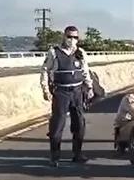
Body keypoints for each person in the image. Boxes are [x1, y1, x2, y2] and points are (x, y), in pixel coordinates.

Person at [40, 26, 95, 167]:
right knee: (58, 124)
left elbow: (85, 71)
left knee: (79, 124)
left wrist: (89, 86)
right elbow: (45, 70)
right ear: (64, 37)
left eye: (75, 37)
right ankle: (55, 156)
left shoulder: (80, 52)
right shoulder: (54, 52)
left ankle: (77, 154)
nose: (72, 40)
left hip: (77, 91)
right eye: (69, 37)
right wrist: (45, 89)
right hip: (61, 92)